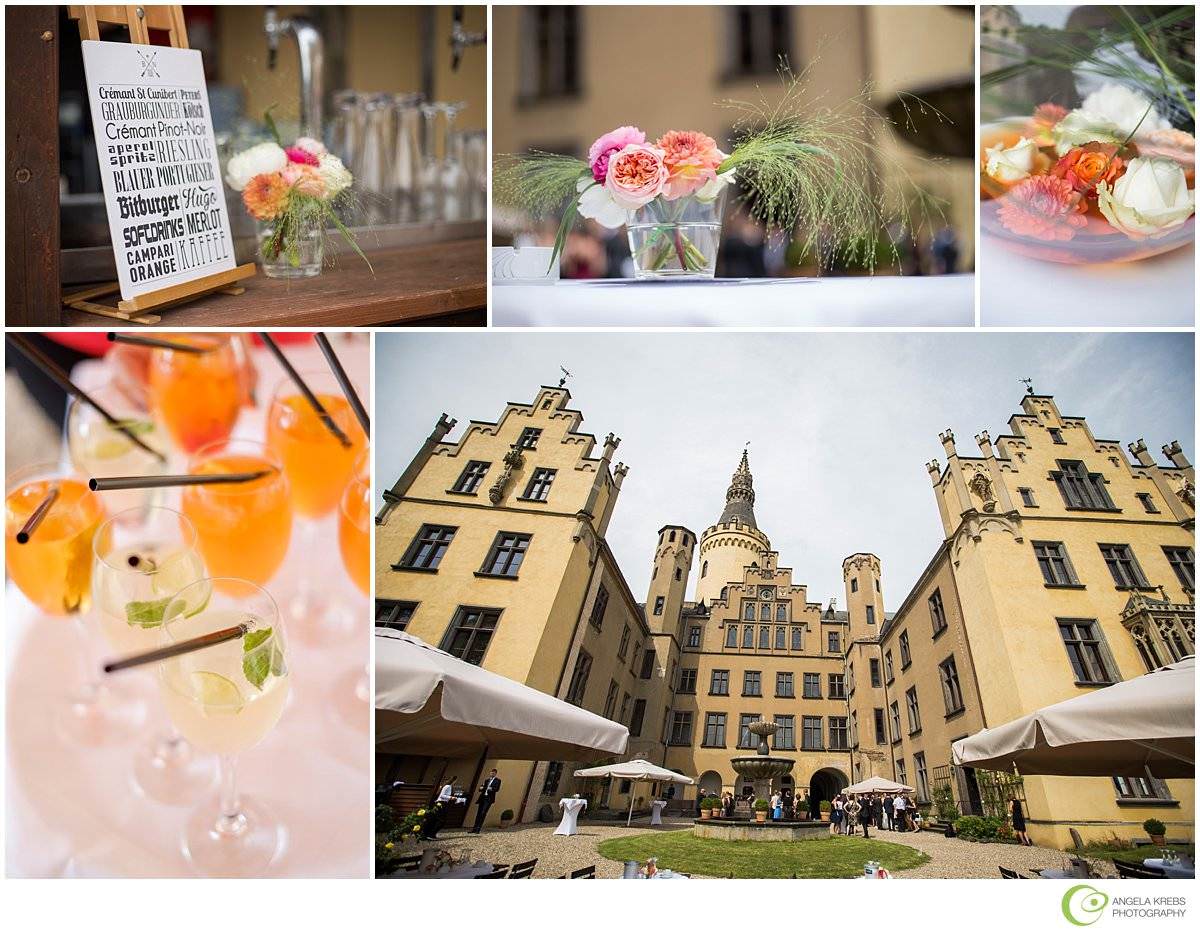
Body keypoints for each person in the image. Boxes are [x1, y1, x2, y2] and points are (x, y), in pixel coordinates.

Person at [470, 768, 502, 834]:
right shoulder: (486, 780)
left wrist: (488, 788)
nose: (492, 774)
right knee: (478, 813)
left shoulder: (497, 781)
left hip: (489, 799)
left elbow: (496, 789)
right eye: (491, 773)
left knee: (483, 813)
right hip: (482, 798)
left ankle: (478, 828)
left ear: (495, 773)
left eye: (493, 773)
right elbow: (481, 788)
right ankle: (474, 828)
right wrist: (482, 788)